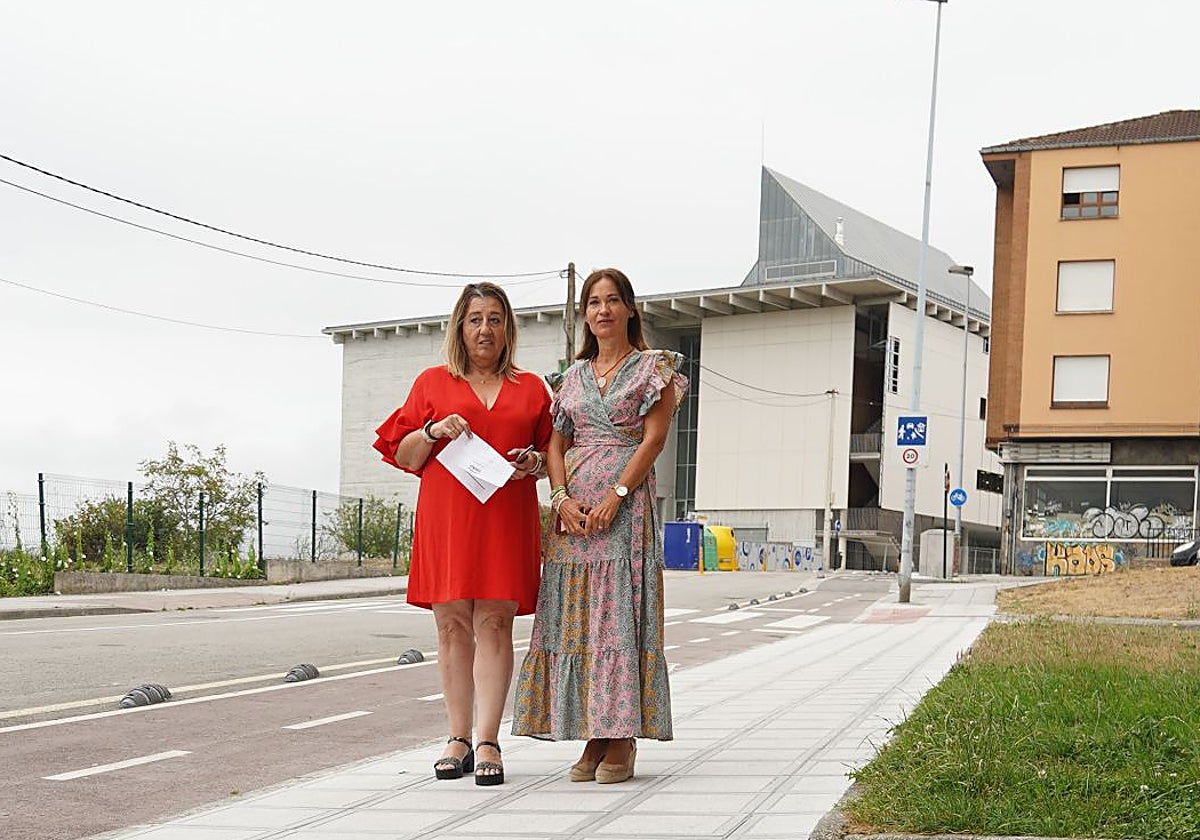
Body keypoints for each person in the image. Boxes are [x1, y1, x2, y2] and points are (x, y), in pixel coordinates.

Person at [511, 267, 688, 784]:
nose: (602, 310)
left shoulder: (653, 368)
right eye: (593, 302)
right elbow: (556, 443)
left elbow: (653, 440)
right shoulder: (571, 377)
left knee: (617, 618)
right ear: (584, 313)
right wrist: (559, 497)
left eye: (613, 300)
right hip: (571, 521)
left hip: (624, 513)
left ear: (630, 308)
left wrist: (617, 494)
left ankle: (621, 737)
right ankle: (592, 730)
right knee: (578, 619)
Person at [372, 281, 551, 786]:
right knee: (451, 624)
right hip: (448, 516)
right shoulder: (432, 382)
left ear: (507, 328)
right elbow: (402, 456)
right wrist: (430, 432)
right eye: (475, 319)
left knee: (495, 621)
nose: (485, 328)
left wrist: (534, 462)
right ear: (459, 327)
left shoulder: (533, 388)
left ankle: (490, 739)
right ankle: (458, 737)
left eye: (495, 319)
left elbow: (550, 456)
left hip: (505, 514)